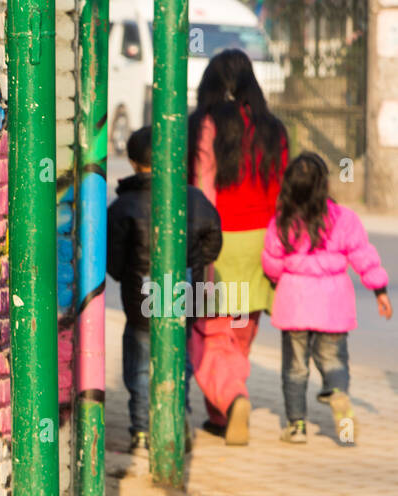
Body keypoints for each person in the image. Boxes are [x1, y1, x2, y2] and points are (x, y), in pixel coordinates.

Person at [188, 49, 289, 445]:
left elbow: (204, 185)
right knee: (240, 333)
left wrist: (200, 241)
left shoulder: (209, 125)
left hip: (221, 242)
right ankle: (221, 413)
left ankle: (231, 398)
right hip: (262, 243)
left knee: (211, 334)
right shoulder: (275, 129)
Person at [261, 152, 392, 444]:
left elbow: (272, 261)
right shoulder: (345, 218)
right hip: (333, 303)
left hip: (295, 302)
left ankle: (296, 426)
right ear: (325, 185)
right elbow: (363, 256)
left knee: (295, 367)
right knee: (334, 361)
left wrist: (274, 279)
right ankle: (340, 409)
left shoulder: (282, 221)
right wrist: (379, 290)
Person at [108, 126, 223, 454]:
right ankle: (178, 416)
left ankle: (142, 432)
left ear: (132, 162)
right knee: (180, 359)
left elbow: (112, 257)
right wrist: (197, 264)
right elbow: (213, 240)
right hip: (184, 296)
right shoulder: (194, 198)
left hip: (141, 300)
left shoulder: (124, 205)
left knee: (141, 364)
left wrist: (126, 276)